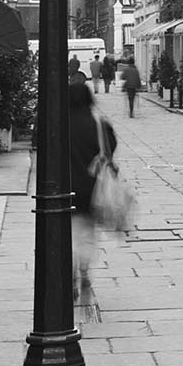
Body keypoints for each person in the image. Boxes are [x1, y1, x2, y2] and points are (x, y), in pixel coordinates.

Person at [66, 74, 117, 316]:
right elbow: (110, 148)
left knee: (66, 231)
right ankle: (84, 269)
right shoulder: (98, 124)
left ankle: (70, 270)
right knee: (86, 231)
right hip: (92, 187)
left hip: (63, 188)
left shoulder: (59, 124)